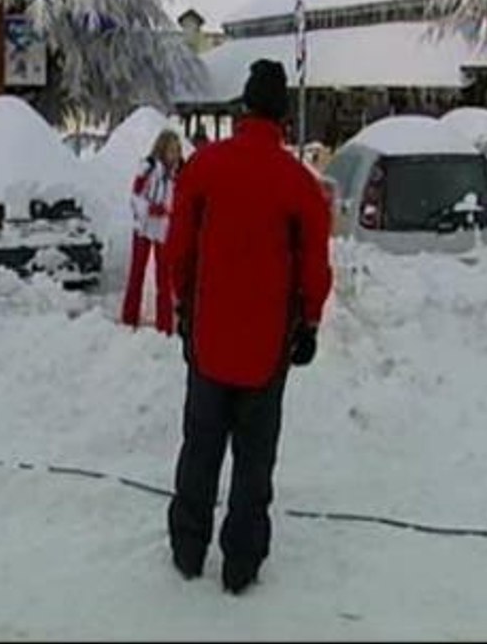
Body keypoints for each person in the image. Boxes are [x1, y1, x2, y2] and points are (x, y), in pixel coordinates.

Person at [164, 59, 333, 595]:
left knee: (200, 447)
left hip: (208, 338)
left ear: (243, 107)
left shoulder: (205, 167)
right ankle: (241, 564)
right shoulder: (298, 184)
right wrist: (308, 322)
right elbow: (315, 265)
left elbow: (178, 248)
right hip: (268, 346)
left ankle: (188, 550)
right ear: (283, 117)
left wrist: (183, 308)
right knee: (254, 460)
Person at [120, 130, 184, 335]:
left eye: (177, 150)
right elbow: (135, 197)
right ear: (162, 149)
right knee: (137, 273)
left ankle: (165, 325)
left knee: (164, 278)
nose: (174, 155)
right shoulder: (147, 168)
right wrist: (149, 209)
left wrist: (170, 212)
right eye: (171, 150)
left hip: (164, 229)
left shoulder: (179, 173)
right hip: (144, 227)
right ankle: (129, 319)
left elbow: (180, 200)